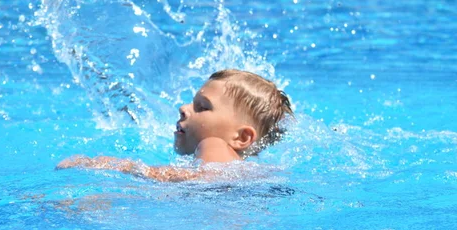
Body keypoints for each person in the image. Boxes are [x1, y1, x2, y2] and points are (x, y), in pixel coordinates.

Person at [57, 69, 293, 182]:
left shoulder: (214, 145)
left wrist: (120, 166)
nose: (183, 107)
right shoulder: (240, 163)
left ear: (241, 138)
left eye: (202, 107)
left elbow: (208, 179)